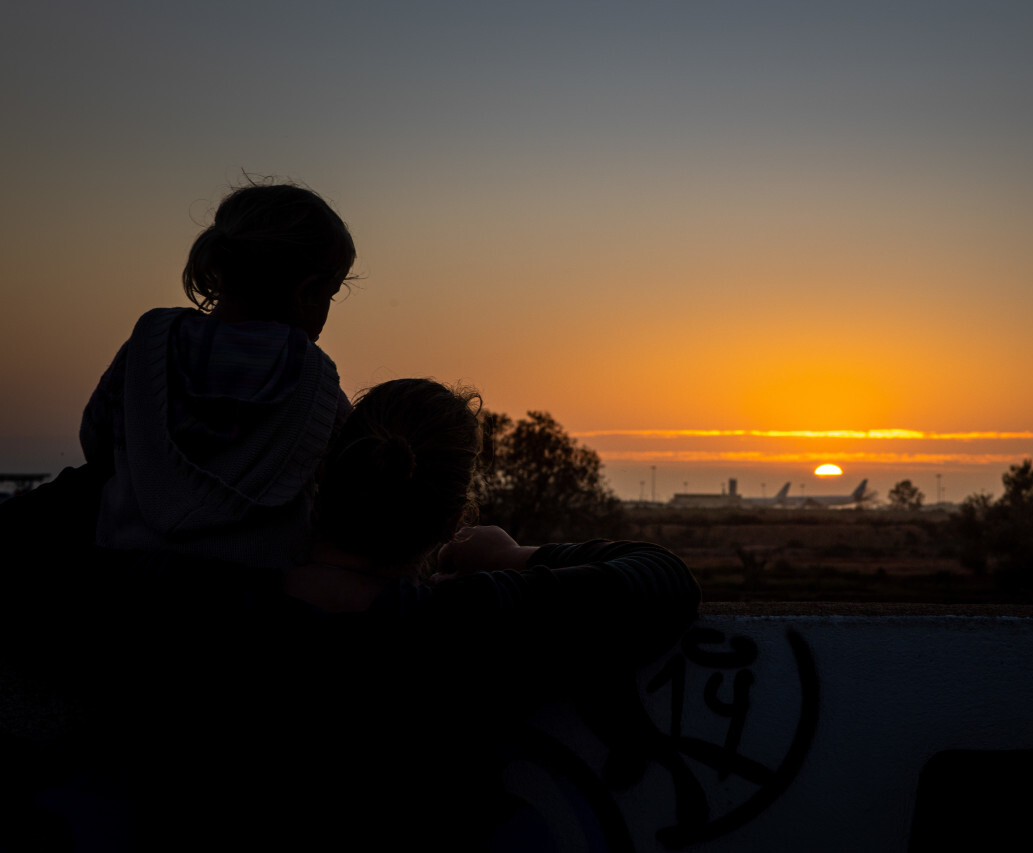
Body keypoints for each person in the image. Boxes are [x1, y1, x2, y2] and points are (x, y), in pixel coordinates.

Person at [2, 378, 700, 850]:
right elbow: (662, 580)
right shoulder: (467, 625)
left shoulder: (184, 599)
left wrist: (156, 472)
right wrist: (522, 556)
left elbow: (26, 545)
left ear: (321, 477)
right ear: (453, 515)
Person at [80, 180, 357, 568]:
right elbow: (348, 475)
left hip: (125, 568)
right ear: (307, 291)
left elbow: (95, 439)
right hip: (258, 590)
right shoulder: (313, 378)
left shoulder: (150, 345)